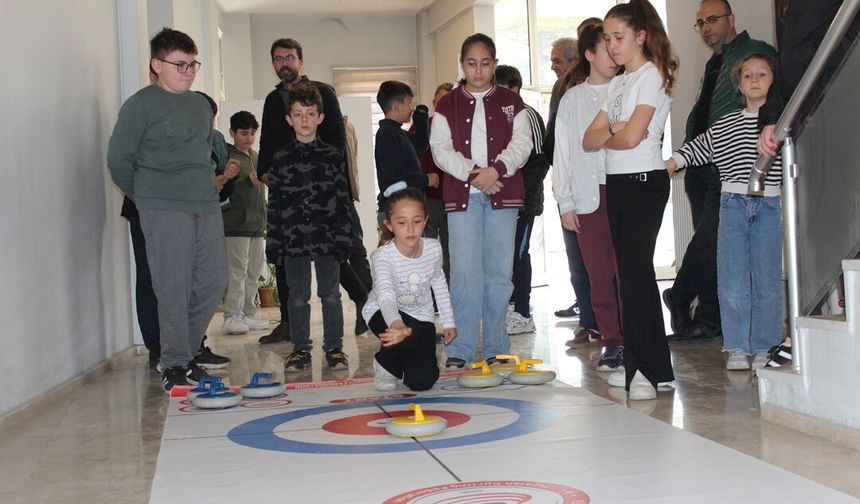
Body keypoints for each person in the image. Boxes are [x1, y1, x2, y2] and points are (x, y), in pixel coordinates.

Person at [108, 28, 226, 392]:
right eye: (180, 64)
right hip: (161, 206)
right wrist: (145, 197)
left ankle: (185, 353)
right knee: (172, 286)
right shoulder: (140, 105)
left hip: (205, 205)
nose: (188, 71)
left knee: (211, 282)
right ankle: (174, 363)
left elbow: (205, 153)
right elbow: (118, 160)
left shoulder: (200, 106)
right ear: (157, 65)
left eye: (193, 64)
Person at [662, 0, 775, 341]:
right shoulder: (715, 62)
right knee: (713, 246)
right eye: (700, 23)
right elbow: (706, 113)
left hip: (730, 168)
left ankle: (680, 295)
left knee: (711, 242)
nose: (707, 28)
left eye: (713, 19)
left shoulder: (754, 52)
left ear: (731, 19)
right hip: (701, 163)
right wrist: (682, 157)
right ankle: (710, 318)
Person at [583, 0, 678, 400]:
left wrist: (616, 132)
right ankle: (658, 366)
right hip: (618, 184)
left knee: (636, 275)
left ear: (640, 36)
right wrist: (614, 131)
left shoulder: (652, 76)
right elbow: (590, 139)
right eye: (607, 39)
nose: (612, 46)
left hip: (644, 182)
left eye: (618, 37)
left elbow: (631, 137)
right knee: (630, 276)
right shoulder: (619, 82)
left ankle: (642, 367)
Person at [257, 37, 371, 344]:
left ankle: (366, 303)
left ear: (300, 61)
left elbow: (336, 134)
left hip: (326, 187)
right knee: (287, 257)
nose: (285, 63)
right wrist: (265, 171)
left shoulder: (322, 92)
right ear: (273, 64)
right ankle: (289, 323)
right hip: (289, 186)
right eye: (279, 58)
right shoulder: (272, 100)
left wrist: (329, 174)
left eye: (290, 57)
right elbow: (267, 139)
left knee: (341, 252)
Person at [430, 33, 533, 368]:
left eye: (485, 63)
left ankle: (496, 345)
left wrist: (497, 170)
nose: (478, 70)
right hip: (463, 197)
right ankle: (459, 349)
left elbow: (523, 143)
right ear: (462, 64)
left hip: (503, 195)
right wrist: (477, 174)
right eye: (471, 64)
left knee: (499, 273)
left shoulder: (512, 102)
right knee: (464, 273)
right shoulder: (447, 105)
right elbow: (441, 150)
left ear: (494, 65)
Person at [553, 23, 625, 371]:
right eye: (606, 48)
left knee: (629, 270)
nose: (613, 55)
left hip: (627, 190)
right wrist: (564, 202)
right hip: (587, 194)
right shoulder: (573, 99)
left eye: (617, 46)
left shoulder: (630, 88)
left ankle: (636, 337)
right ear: (590, 54)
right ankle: (611, 340)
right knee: (598, 274)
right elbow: (562, 154)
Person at [267, 82, 352, 372]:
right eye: (298, 114)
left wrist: (345, 238)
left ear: (321, 117)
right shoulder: (280, 160)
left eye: (310, 114)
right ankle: (300, 349)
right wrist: (274, 242)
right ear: (289, 119)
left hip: (327, 238)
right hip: (293, 241)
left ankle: (335, 348)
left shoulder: (332, 157)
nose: (304, 120)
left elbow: (342, 201)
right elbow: (275, 205)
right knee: (298, 296)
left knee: (330, 294)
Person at [362, 187, 457, 391]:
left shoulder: (433, 248)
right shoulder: (382, 257)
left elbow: (438, 282)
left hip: (420, 316)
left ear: (425, 220)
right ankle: (385, 364)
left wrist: (448, 322)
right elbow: (386, 295)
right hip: (383, 312)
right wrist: (398, 326)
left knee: (422, 381)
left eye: (417, 221)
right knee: (405, 337)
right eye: (401, 222)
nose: (411, 229)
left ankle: (406, 353)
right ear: (389, 225)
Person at [493, 65, 550, 335]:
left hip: (524, 203)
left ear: (514, 88)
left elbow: (540, 161)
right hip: (504, 204)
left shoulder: (528, 115)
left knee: (518, 254)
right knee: (505, 257)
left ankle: (523, 312)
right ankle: (511, 305)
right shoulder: (503, 118)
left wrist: (520, 196)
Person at [221, 111, 270, 336]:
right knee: (236, 272)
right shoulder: (228, 158)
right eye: (243, 133)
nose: (248, 138)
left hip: (257, 226)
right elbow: (225, 191)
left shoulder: (257, 156)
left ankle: (248, 313)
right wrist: (242, 182)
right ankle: (232, 316)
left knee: (253, 271)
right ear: (232, 133)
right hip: (235, 226)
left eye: (252, 133)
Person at [374, 81, 436, 225]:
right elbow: (394, 175)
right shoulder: (386, 134)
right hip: (396, 211)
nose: (411, 108)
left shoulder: (398, 132)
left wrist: (420, 118)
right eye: (409, 103)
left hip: (405, 209)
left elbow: (421, 144)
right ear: (397, 106)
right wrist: (426, 179)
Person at [414, 83, 454, 280]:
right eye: (440, 102)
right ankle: (429, 299)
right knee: (427, 254)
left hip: (453, 201)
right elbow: (411, 159)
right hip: (427, 199)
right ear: (433, 103)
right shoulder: (422, 126)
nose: (444, 106)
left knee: (451, 255)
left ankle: (449, 298)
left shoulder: (460, 129)